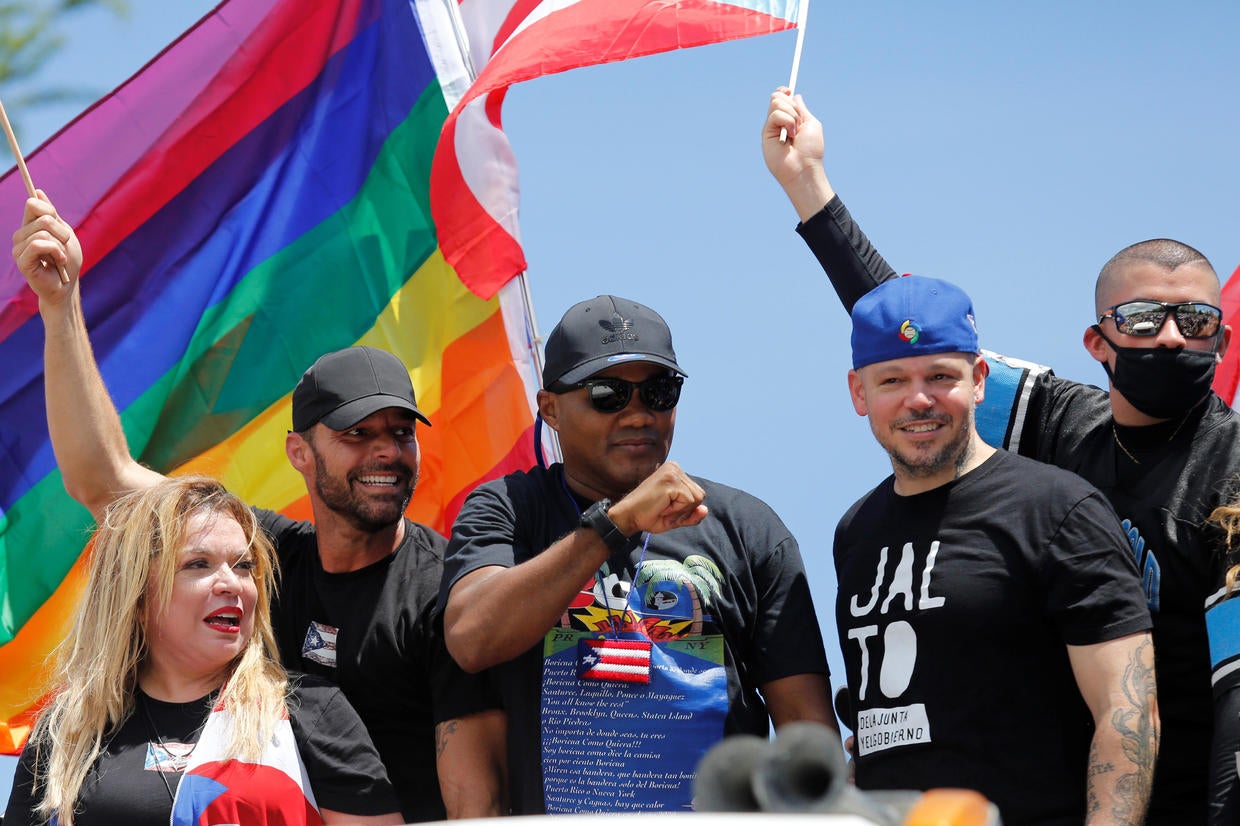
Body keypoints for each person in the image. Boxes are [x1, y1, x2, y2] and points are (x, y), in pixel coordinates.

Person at [763, 89, 1240, 825]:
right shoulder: (1063, 426)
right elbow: (915, 336)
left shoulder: (1232, 472)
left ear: (1221, 339)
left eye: (1197, 319)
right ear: (1098, 341)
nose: (1172, 338)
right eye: (1144, 319)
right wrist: (808, 185)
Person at [10, 192, 503, 821]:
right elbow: (105, 482)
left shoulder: (442, 588)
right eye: (358, 434)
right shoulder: (259, 554)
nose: (386, 452)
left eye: (400, 432)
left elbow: (475, 796)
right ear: (299, 452)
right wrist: (61, 303)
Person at [438, 294, 837, 814]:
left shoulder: (747, 528)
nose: (637, 415)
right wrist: (615, 522)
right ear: (550, 409)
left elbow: (808, 736)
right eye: (608, 394)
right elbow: (472, 637)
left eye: (658, 392)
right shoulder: (507, 509)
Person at [837, 275, 1157, 825]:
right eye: (893, 379)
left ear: (980, 380)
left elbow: (1127, 713)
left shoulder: (1057, 508)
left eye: (941, 376)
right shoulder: (856, 529)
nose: (919, 399)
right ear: (859, 393)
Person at [3, 476, 403, 826]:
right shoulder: (67, 729)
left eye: (244, 566)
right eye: (199, 564)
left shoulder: (311, 710)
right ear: (137, 596)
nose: (232, 584)